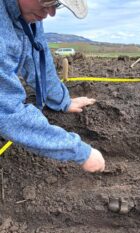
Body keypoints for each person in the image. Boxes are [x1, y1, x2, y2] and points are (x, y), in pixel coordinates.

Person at [0, 0, 105, 172]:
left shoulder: (28, 12)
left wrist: (62, 100)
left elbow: (37, 55)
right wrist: (80, 151)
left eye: (56, 5)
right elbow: (6, 111)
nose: (50, 13)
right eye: (46, 0)